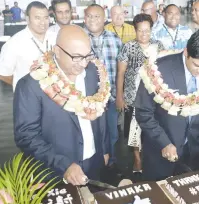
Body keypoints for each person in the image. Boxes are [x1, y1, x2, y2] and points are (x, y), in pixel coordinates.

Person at [14, 25, 109, 185]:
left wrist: (105, 150)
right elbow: (26, 136)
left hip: (94, 161)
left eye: (87, 56)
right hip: (55, 172)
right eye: (77, 57)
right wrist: (63, 165)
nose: (83, 64)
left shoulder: (93, 72)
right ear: (57, 51)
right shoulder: (31, 85)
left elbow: (100, 112)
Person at [135, 27, 199, 181]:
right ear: (186, 52)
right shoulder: (157, 70)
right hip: (160, 151)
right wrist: (164, 142)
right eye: (197, 65)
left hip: (195, 153)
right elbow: (143, 112)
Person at [116, 14, 164, 175]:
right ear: (135, 31)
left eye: (147, 31)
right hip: (132, 97)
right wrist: (119, 96)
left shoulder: (158, 46)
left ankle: (149, 157)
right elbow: (121, 73)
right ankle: (137, 158)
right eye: (140, 31)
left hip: (153, 97)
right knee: (132, 130)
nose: (144, 34)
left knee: (151, 128)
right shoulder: (127, 47)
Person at [84, 4, 122, 167]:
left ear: (104, 18)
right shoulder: (79, 39)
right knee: (91, 133)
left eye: (97, 16)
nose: (92, 20)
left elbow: (122, 70)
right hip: (86, 101)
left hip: (111, 98)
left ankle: (111, 162)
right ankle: (95, 163)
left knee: (112, 132)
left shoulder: (114, 39)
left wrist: (119, 95)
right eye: (89, 16)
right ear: (84, 18)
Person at [0, 1, 50, 91]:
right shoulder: (13, 43)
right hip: (27, 98)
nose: (42, 22)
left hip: (54, 96)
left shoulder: (54, 37)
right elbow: (2, 74)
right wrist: (24, 86)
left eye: (46, 18)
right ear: (28, 19)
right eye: (37, 18)